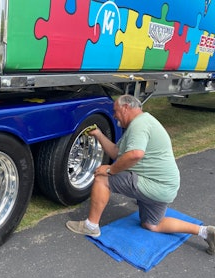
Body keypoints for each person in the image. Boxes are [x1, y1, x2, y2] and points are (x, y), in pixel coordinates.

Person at [66, 94, 215, 255]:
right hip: (166, 188)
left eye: (115, 111)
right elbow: (117, 152)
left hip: (153, 184)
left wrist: (110, 170)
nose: (114, 115)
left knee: (102, 178)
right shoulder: (142, 123)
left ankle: (91, 226)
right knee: (152, 225)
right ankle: (205, 231)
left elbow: (136, 154)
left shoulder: (139, 124)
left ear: (126, 107)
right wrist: (98, 134)